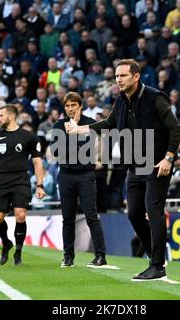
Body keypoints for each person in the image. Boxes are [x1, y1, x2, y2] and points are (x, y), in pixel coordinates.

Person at [65, 59, 180, 281]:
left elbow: (175, 128)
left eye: (123, 76)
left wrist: (168, 158)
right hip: (135, 164)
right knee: (134, 213)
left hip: (157, 164)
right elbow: (109, 123)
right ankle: (155, 256)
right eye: (117, 76)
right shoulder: (120, 101)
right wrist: (80, 129)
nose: (118, 79)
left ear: (136, 77)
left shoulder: (155, 98)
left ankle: (157, 265)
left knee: (154, 210)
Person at [0, 105, 46, 266]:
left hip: (20, 180)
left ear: (11, 116)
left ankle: (18, 251)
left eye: (1, 115)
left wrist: (40, 185)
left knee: (20, 215)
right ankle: (6, 243)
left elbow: (37, 162)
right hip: (2, 181)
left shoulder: (29, 137)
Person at [51, 92, 108, 268]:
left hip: (85, 175)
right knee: (67, 218)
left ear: (80, 106)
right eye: (67, 106)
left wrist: (73, 133)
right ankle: (68, 256)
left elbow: (88, 150)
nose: (69, 109)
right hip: (66, 175)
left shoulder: (90, 123)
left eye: (73, 105)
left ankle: (100, 256)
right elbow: (57, 152)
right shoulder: (59, 125)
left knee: (91, 215)